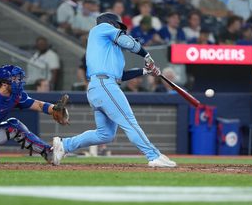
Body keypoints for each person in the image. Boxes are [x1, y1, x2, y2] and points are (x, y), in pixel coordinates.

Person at [52, 12, 176, 168]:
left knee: (105, 134)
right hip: (104, 85)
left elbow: (120, 76)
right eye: (118, 27)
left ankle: (65, 145)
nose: (120, 30)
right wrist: (146, 55)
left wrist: (146, 71)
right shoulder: (101, 28)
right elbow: (130, 43)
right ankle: (154, 156)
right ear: (111, 23)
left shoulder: (107, 49)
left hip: (99, 86)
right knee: (129, 122)